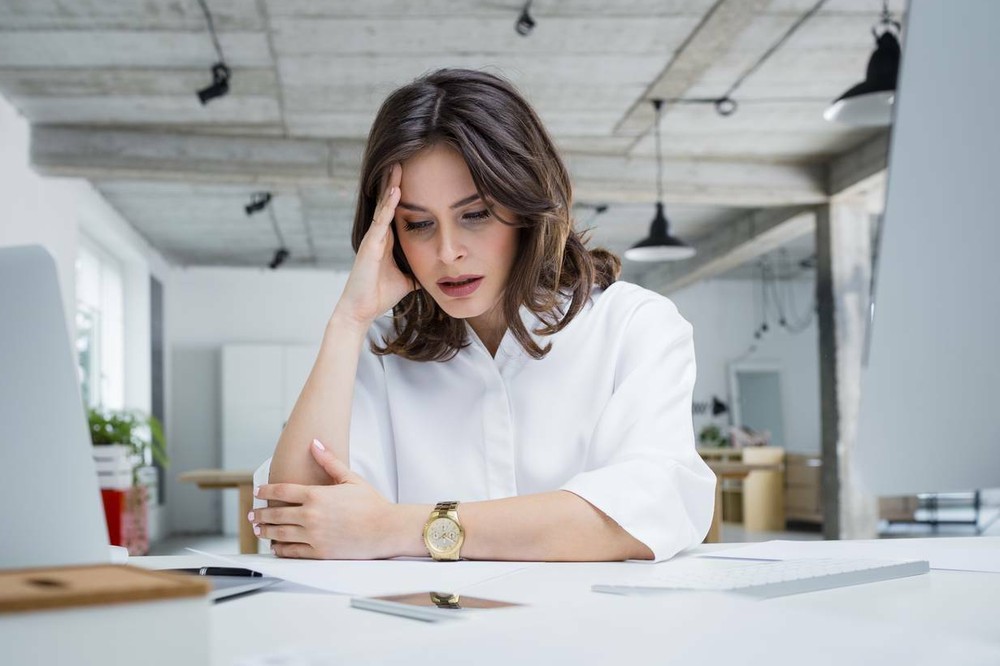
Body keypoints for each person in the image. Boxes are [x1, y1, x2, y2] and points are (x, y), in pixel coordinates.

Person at [249, 68, 715, 562]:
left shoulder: (633, 326)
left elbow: (640, 515)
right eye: (419, 223)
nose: (448, 252)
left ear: (526, 206)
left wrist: (396, 528)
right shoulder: (380, 348)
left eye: (475, 214)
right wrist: (349, 319)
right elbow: (297, 522)